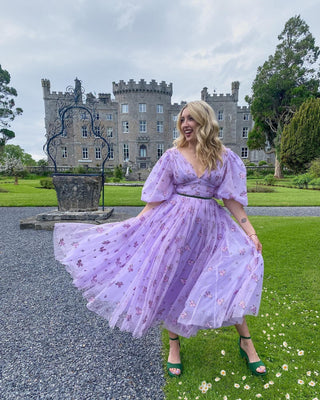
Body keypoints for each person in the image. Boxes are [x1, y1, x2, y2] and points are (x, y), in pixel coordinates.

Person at [53, 100, 266, 378]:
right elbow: (156, 198)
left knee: (226, 280)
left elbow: (231, 200)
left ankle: (246, 342)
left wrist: (250, 232)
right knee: (172, 282)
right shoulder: (171, 156)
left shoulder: (224, 157)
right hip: (173, 228)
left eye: (191, 119)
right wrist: (136, 224)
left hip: (211, 230)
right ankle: (174, 346)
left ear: (205, 122)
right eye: (182, 119)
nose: (185, 124)